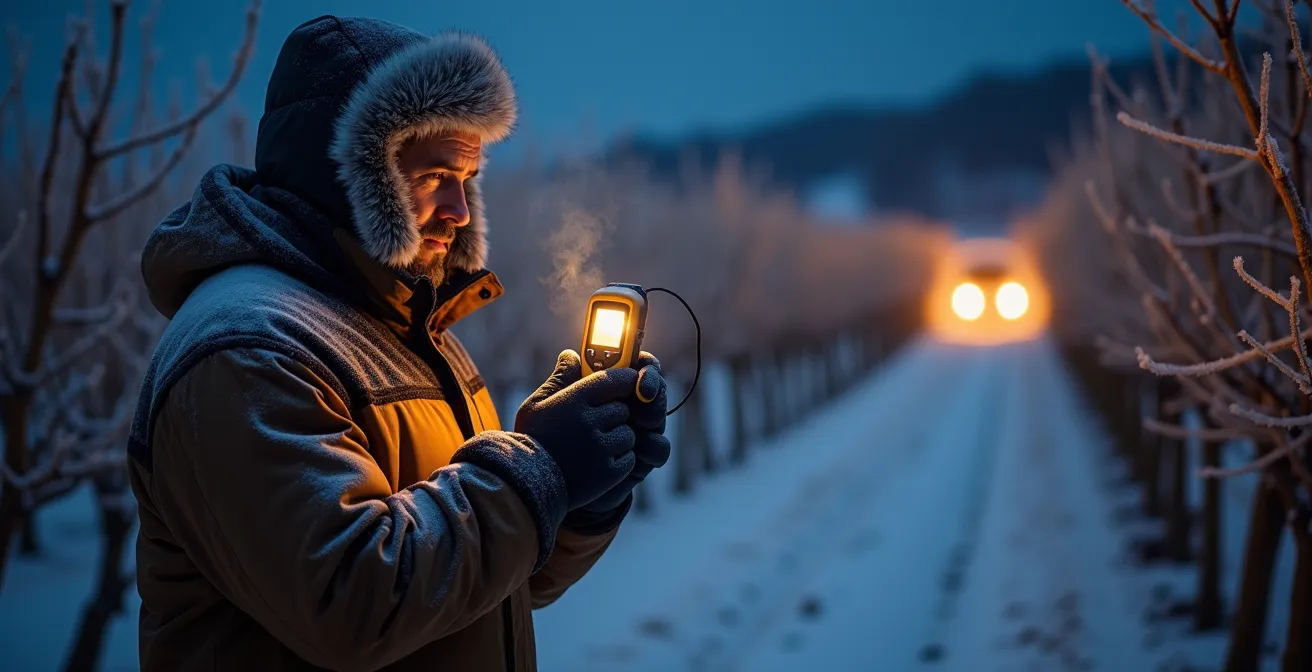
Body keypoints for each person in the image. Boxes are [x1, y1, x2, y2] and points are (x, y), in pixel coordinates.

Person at [125, 15, 671, 672]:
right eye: (435, 174)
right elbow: (355, 600)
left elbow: (488, 588)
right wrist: (541, 470)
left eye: (467, 178)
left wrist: (582, 496)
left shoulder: (412, 330)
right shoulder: (247, 351)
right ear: (346, 173)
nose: (460, 210)